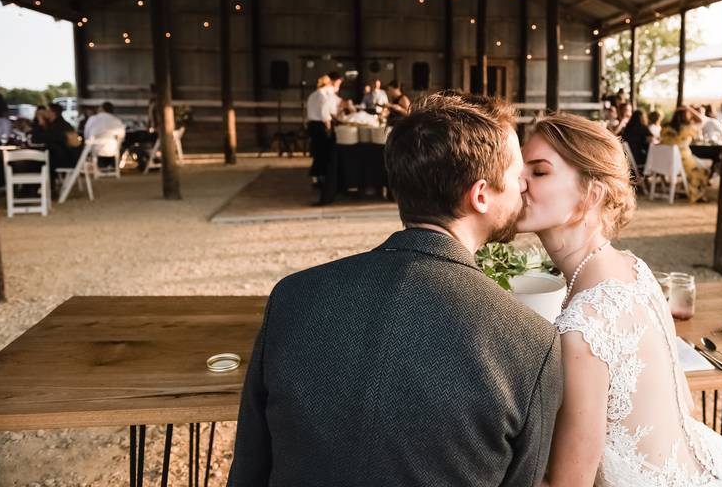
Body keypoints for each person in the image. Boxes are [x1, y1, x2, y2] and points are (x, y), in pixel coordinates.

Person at [227, 92, 562, 486]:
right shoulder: (529, 341)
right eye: (516, 176)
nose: (523, 187)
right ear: (481, 194)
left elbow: (249, 467)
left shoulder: (293, 297)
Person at [518, 113, 722, 487]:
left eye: (539, 172)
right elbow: (685, 403)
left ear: (590, 193)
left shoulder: (583, 329)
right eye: (521, 169)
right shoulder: (635, 268)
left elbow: (570, 484)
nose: (520, 183)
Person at [659, 107, 710, 202]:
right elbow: (702, 120)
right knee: (703, 169)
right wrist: (689, 108)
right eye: (688, 114)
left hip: (666, 161)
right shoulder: (686, 129)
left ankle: (686, 189)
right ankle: (696, 194)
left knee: (700, 164)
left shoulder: (665, 128)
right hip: (682, 159)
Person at [306, 72, 342, 204]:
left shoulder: (314, 94)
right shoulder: (323, 95)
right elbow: (325, 114)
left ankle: (317, 178)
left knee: (317, 152)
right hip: (319, 126)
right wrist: (328, 126)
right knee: (322, 153)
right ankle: (320, 178)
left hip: (312, 125)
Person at [83, 102, 127, 168]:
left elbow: (86, 135)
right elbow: (122, 137)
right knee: (120, 147)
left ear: (102, 109)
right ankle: (111, 165)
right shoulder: (116, 120)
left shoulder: (92, 119)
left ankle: (101, 165)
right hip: (112, 150)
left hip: (94, 150)